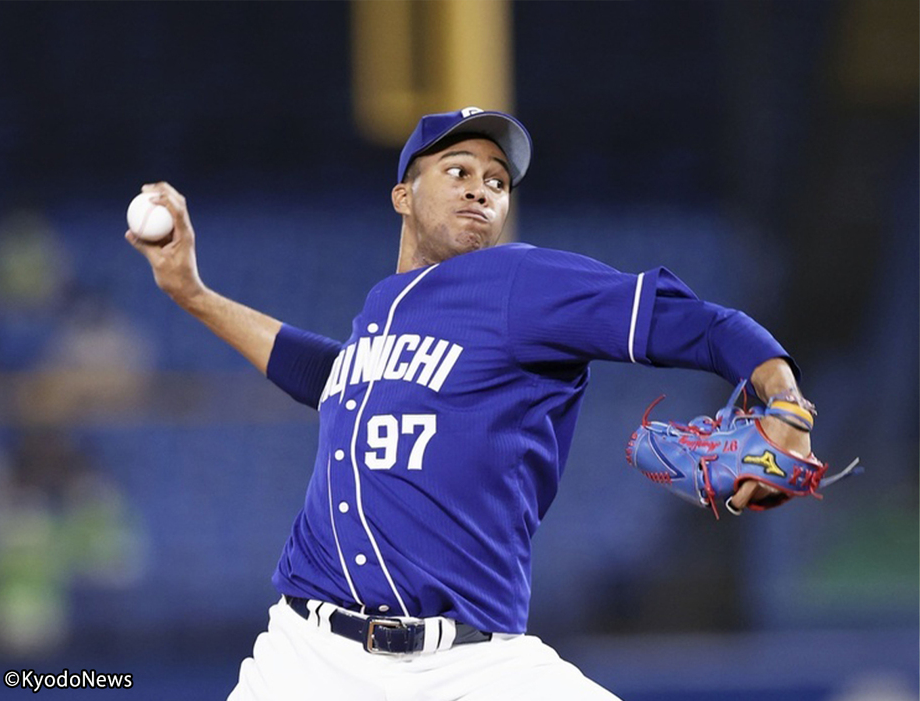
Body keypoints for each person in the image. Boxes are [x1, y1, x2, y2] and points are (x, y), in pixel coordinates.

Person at [126, 107, 812, 700]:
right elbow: (332, 377)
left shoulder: (518, 280)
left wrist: (783, 395)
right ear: (403, 194)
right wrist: (192, 293)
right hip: (310, 656)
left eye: (497, 181)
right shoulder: (380, 310)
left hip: (470, 665)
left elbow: (695, 321)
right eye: (458, 170)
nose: (481, 190)